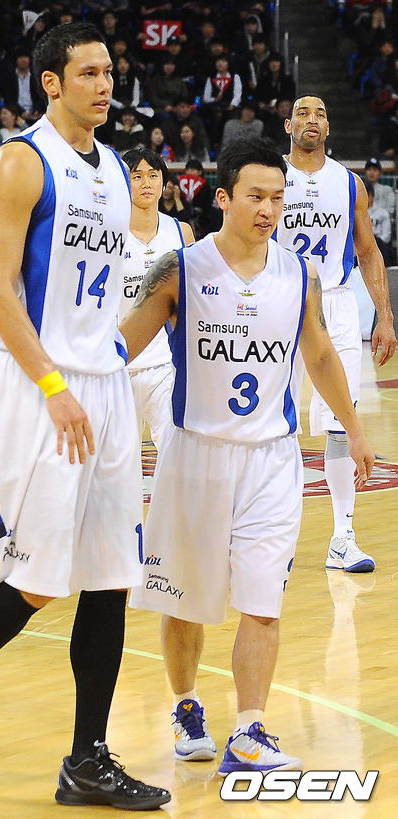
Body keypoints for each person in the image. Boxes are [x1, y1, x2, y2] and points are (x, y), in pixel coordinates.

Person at [0, 22, 170, 812]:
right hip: (39, 383)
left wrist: (122, 349)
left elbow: (101, 296)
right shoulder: (20, 161)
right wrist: (56, 383)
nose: (105, 84)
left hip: (102, 383)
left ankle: (87, 758)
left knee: (112, 575)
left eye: (109, 72)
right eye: (88, 72)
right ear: (51, 81)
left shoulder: (117, 170)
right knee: (37, 577)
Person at [119, 136, 375, 774]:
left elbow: (320, 353)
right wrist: (58, 389)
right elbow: (121, 346)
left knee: (263, 603)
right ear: (223, 197)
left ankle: (249, 730)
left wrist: (353, 428)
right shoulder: (180, 269)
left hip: (271, 459)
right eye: (255, 196)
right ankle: (185, 705)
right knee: (185, 602)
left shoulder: (300, 274)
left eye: (278, 198)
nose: (268, 209)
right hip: (195, 456)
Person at [275, 95, 396, 572]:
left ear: (329, 129)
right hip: (280, 301)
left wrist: (384, 316)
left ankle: (343, 537)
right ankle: (271, 535)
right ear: (288, 125)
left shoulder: (349, 184)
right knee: (272, 424)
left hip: (337, 304)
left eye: (321, 114)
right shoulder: (270, 175)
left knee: (342, 424)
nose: (312, 120)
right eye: (303, 113)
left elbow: (368, 252)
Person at [119, 148, 193, 448]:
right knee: (119, 461)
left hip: (166, 364)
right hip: (117, 363)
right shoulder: (108, 233)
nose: (146, 183)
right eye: (136, 176)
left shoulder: (181, 232)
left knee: (175, 452)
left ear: (164, 183)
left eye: (153, 175)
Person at [365, 180, 393, 265]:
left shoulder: (382, 213)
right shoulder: (353, 214)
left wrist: (373, 243)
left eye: (367, 195)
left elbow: (386, 236)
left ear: (372, 196)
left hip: (379, 245)